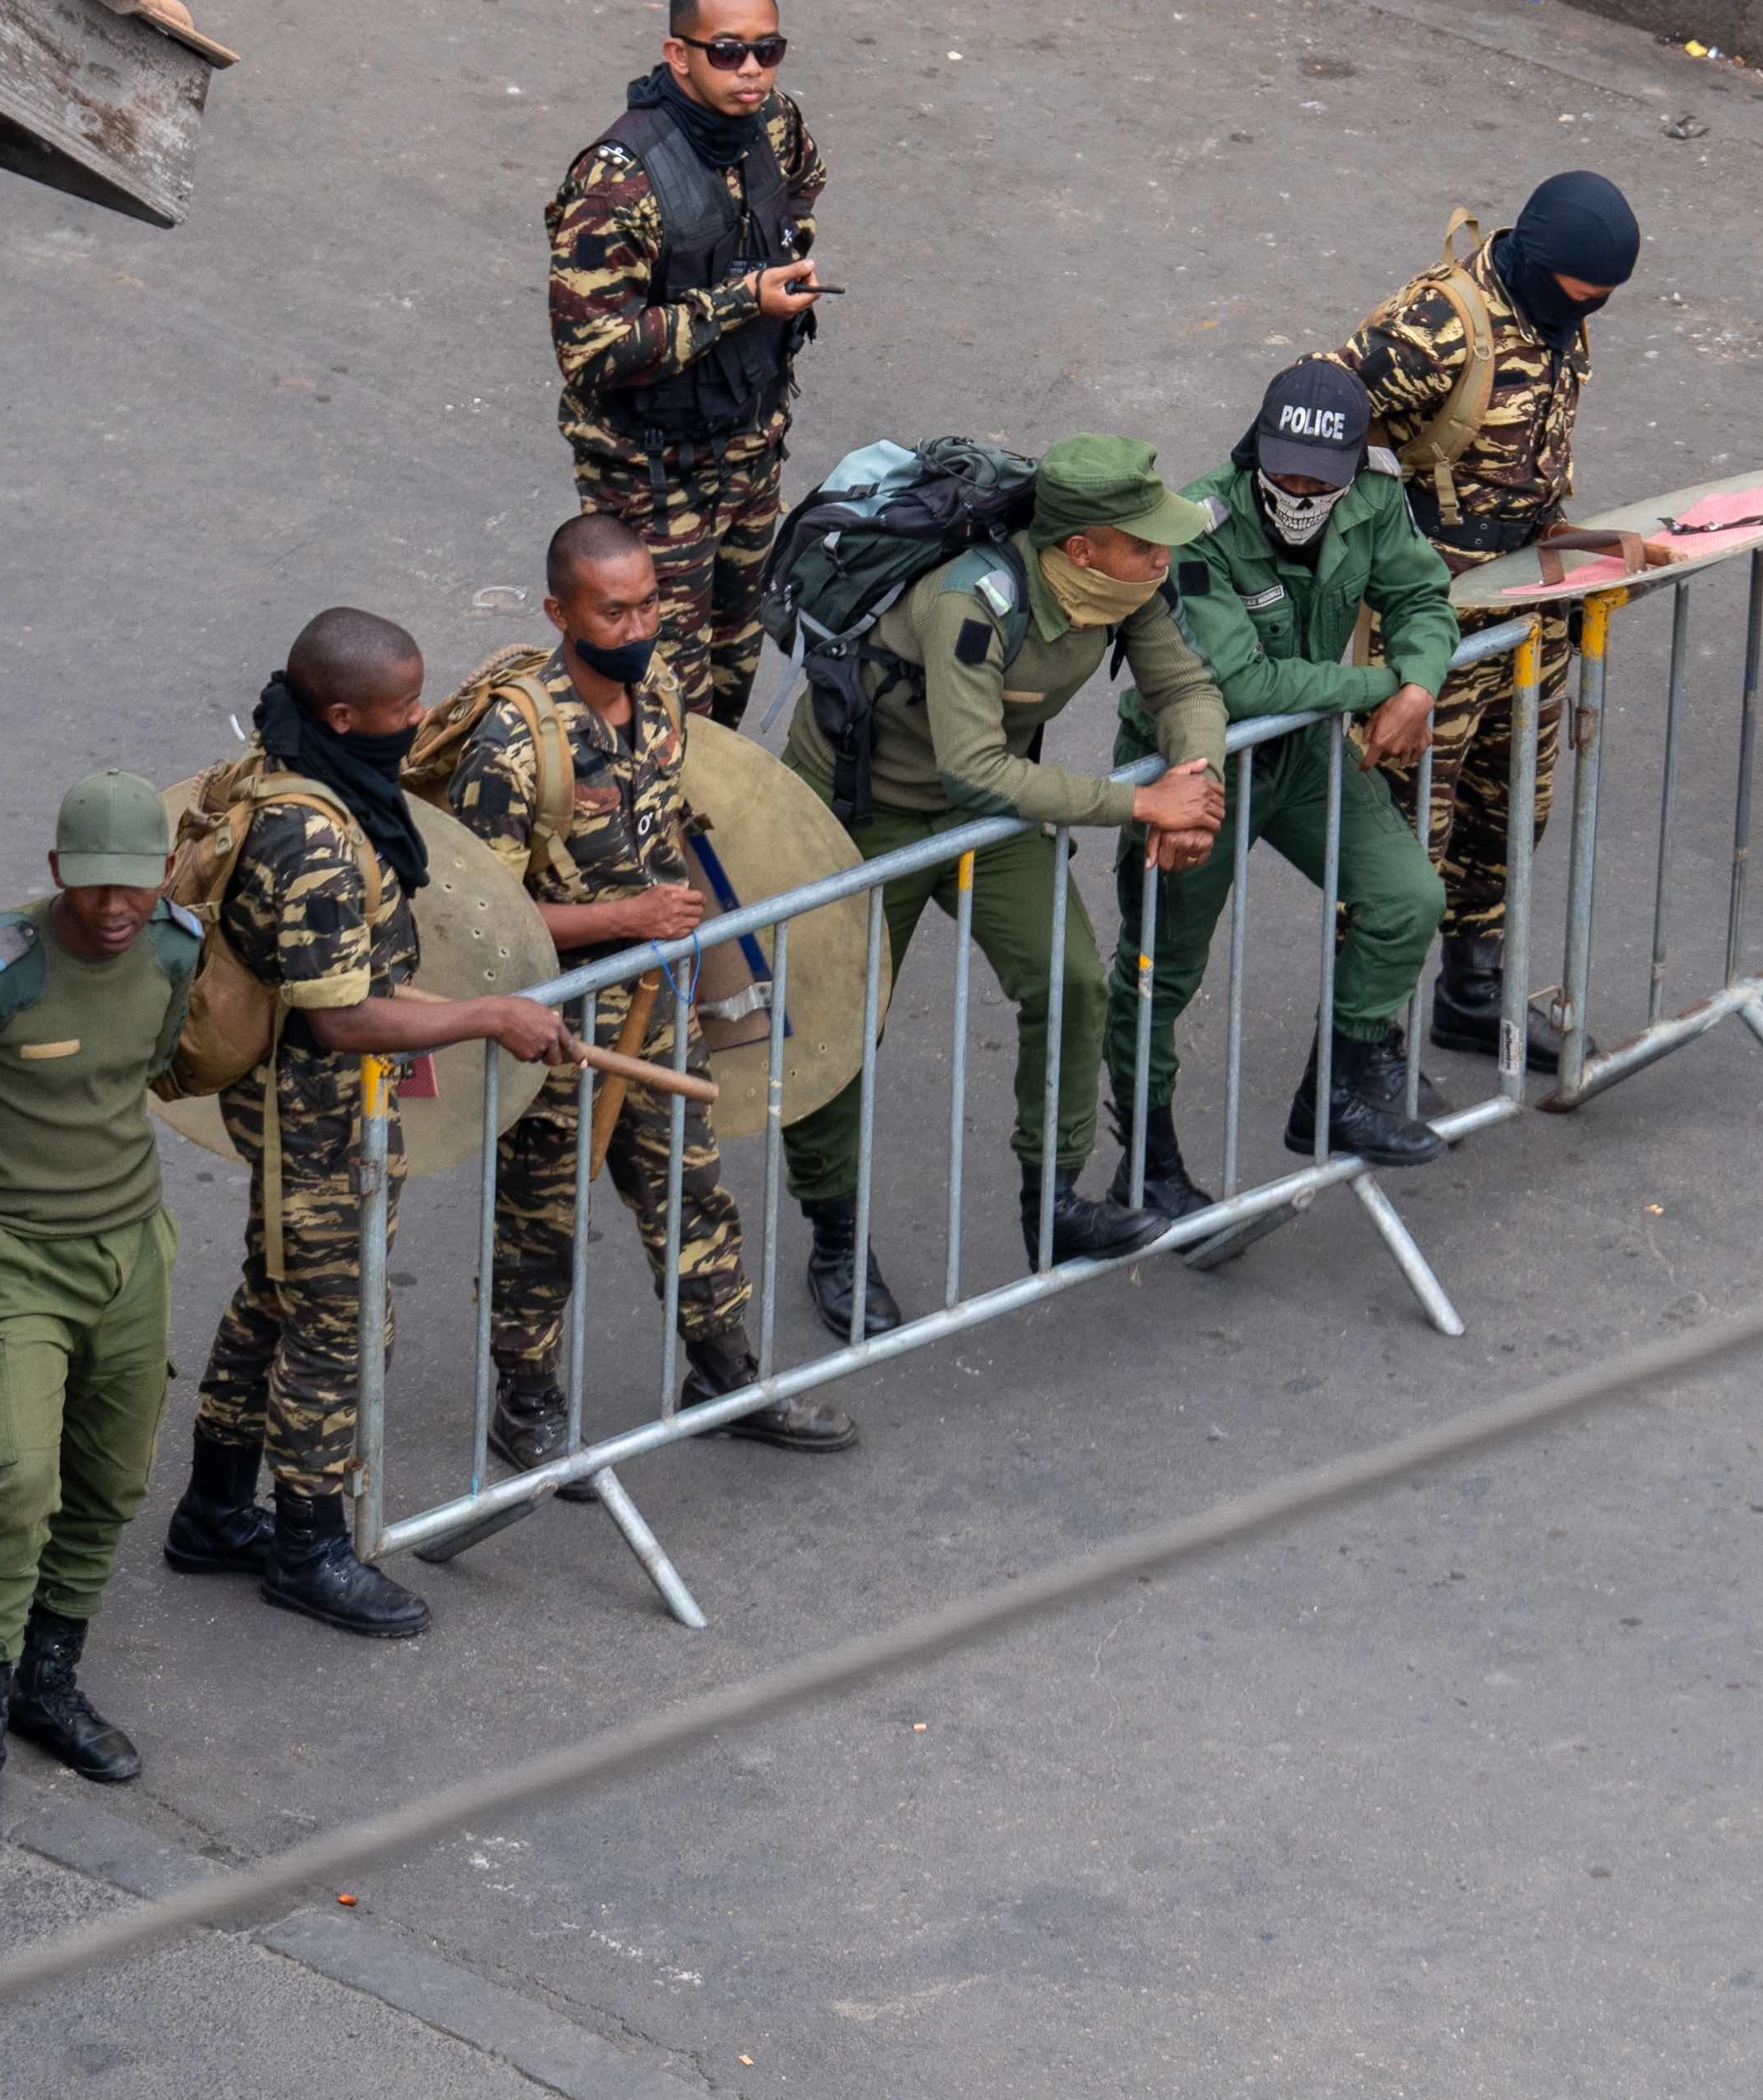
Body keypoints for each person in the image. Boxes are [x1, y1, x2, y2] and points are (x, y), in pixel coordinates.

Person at [159, 610, 571, 1643]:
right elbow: (341, 1016)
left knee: (275, 1293)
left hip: (308, 1105)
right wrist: (489, 1015)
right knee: (335, 1326)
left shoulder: (293, 759)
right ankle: (308, 1548)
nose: (420, 718)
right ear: (343, 714)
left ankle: (213, 1511)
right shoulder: (308, 834)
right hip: (316, 1115)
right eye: (402, 707)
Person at [441, 516, 856, 1468]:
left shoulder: (659, 694)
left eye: (649, 605)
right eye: (613, 611)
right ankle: (529, 1405)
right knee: (542, 1218)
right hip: (551, 1029)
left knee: (692, 1192)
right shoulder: (513, 746)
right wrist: (626, 922)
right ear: (559, 611)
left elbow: (666, 832)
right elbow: (480, 925)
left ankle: (724, 1377)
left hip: (653, 1006)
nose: (638, 628)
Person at [778, 437, 1233, 1287]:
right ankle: (833, 1237)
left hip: (987, 819)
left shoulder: (1123, 585)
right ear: (1080, 548)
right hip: (863, 818)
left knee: (1070, 981)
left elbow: (1188, 689)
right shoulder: (972, 601)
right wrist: (1140, 803)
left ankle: (1053, 1206)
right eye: (1143, 542)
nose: (1161, 556)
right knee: (840, 1032)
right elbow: (974, 768)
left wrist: (1193, 778)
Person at [0, 773, 205, 1848]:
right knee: (15, 1479)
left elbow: (149, 1068)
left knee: (111, 1481)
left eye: (136, 888)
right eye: (96, 888)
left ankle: (46, 1683)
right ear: (59, 872)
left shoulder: (172, 950)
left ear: (162, 876)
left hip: (131, 1252)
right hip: (17, 1260)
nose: (117, 910)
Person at [1100, 361, 1457, 1238]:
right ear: (1257, 446)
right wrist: (1377, 682)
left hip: (1300, 759)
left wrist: (1419, 682)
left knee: (1407, 899)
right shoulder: (1196, 526)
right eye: (1285, 470)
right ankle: (1146, 1166)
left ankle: (1335, 1092)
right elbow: (1243, 681)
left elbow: (1420, 594)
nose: (1298, 491)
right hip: (1196, 773)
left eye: (1317, 480)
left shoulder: (1371, 500)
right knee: (1160, 973)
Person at [1325, 171, 1669, 1067]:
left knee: (1508, 811)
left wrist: (1568, 531)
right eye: (1579, 296)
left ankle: (1471, 995)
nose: (1584, 314)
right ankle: (1363, 1041)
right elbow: (1317, 428)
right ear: (1540, 263)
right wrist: (1383, 555)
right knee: (1403, 845)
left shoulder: (1557, 314)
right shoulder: (1436, 326)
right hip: (1427, 623)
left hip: (1527, 603)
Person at [547, 0, 826, 725]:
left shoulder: (774, 122)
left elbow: (802, 182)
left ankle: (710, 819)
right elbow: (593, 351)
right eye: (728, 51)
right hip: (652, 477)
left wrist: (773, 246)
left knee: (735, 657)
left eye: (768, 50)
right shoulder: (618, 181)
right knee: (663, 688)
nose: (753, 71)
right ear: (679, 54)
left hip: (749, 449)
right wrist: (740, 298)